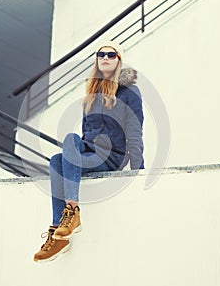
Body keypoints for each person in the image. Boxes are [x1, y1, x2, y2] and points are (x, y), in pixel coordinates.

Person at [33, 40, 144, 262]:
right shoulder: (91, 94)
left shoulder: (130, 92)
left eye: (111, 55)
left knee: (68, 141)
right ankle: (58, 233)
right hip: (90, 152)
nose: (105, 58)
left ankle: (72, 211)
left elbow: (134, 130)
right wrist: (73, 158)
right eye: (101, 54)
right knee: (57, 159)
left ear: (119, 61)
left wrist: (138, 169)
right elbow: (86, 134)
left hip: (112, 156)